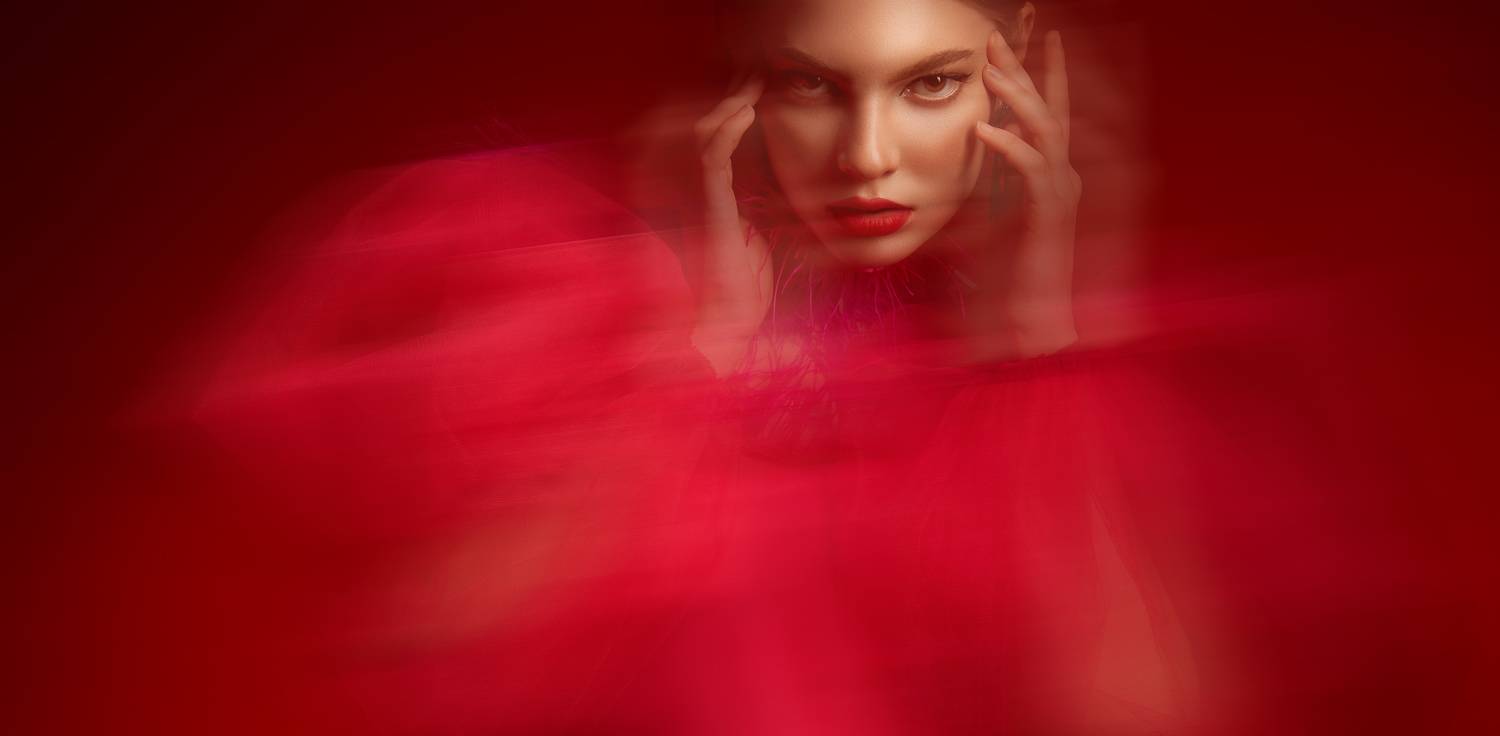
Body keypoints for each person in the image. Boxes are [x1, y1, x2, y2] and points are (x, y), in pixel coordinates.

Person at [177, 1, 1206, 733]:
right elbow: (433, 677)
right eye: (811, 83)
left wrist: (1044, 336)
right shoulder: (533, 273)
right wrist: (697, 366)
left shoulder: (1049, 366)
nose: (868, 154)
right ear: (736, 93)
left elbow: (1136, 710)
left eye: (931, 83)